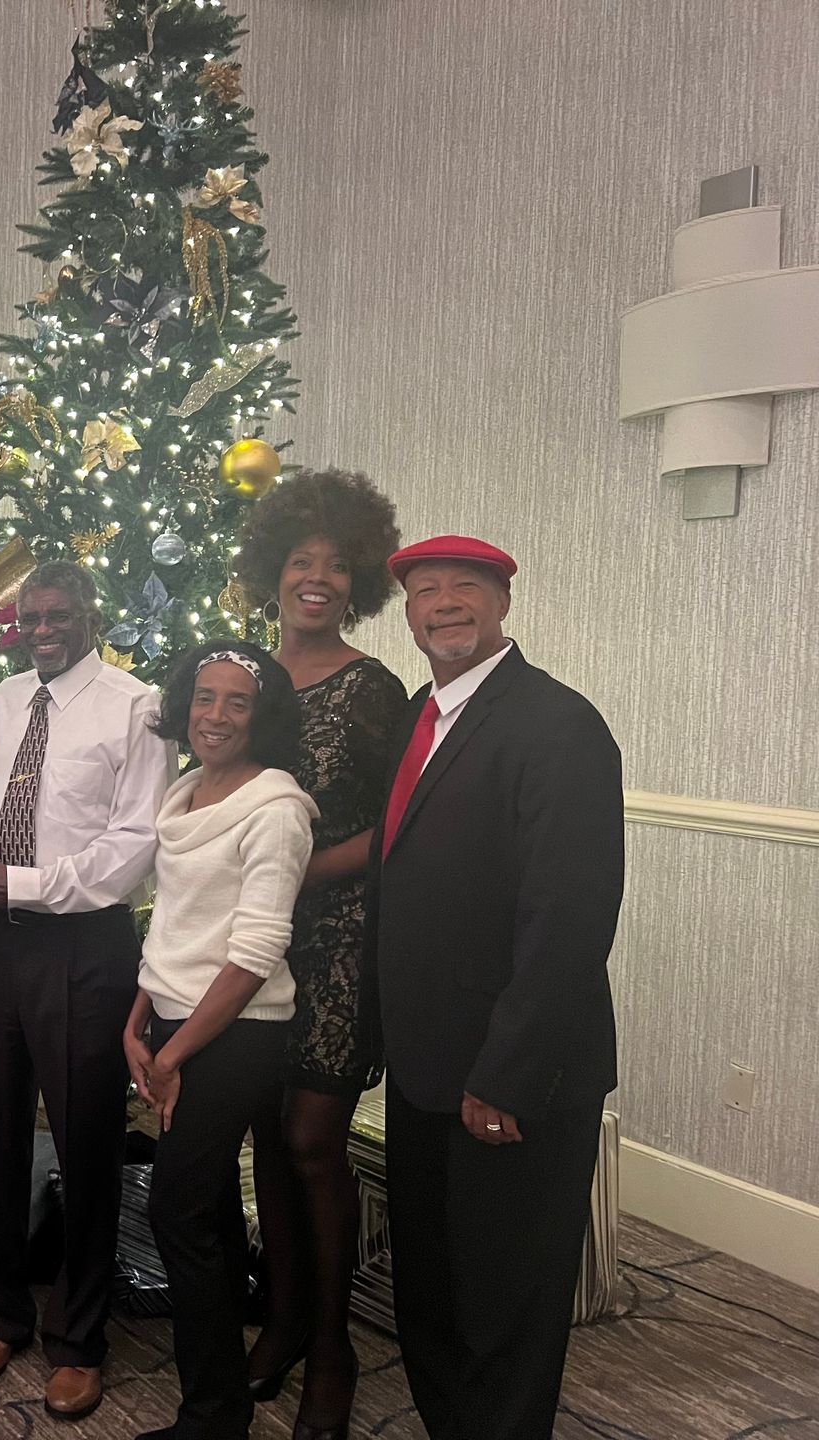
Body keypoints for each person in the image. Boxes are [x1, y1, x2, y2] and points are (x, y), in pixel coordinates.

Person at [373, 536, 622, 1440]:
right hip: (427, 1065)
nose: (443, 603)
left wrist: (507, 1075)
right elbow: (397, 884)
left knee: (508, 1299)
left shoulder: (558, 724)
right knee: (434, 1282)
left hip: (513, 1077)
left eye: (465, 588)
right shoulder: (416, 717)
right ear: (406, 611)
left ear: (503, 603)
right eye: (425, 590)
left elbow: (570, 917)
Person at [0, 559, 168, 1422]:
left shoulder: (136, 704)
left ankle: (78, 1339)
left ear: (89, 614)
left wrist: (23, 883)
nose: (42, 628)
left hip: (83, 944)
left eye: (58, 614)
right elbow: (3, 801)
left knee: (84, 1142)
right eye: (29, 616)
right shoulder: (2, 700)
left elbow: (133, 847)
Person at [231, 470, 407, 1435]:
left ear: (360, 583)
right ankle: (286, 1320)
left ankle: (333, 1350)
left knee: (310, 1141)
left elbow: (396, 829)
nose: (320, 578)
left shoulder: (373, 690)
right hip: (248, 945)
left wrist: (301, 874)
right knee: (264, 1135)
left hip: (335, 937)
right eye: (303, 561)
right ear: (274, 571)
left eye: (339, 566)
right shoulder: (243, 681)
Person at [125, 642, 315, 1440]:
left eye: (238, 702)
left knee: (177, 1210)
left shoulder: (276, 808)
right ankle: (224, 1390)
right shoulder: (186, 792)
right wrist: (137, 1017)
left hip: (235, 1033)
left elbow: (254, 952)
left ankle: (214, 1417)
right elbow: (176, 923)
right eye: (205, 698)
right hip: (171, 1019)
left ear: (261, 715)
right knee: (204, 1211)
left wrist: (172, 1056)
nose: (216, 716)